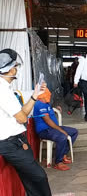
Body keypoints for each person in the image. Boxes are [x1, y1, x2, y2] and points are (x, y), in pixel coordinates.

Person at [0, 48, 52, 195]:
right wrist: (35, 98)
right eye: (15, 66)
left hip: (15, 141)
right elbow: (22, 117)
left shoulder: (5, 87)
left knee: (30, 179)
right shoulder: (2, 90)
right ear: (10, 70)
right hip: (10, 143)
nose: (17, 69)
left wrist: (35, 94)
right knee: (39, 177)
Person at [33, 88, 78, 171]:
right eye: (48, 94)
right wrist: (61, 130)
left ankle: (63, 154)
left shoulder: (46, 104)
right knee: (62, 136)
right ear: (42, 96)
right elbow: (47, 120)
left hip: (53, 128)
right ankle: (58, 162)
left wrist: (55, 108)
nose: (49, 96)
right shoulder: (39, 104)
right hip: (45, 130)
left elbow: (49, 111)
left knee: (74, 132)